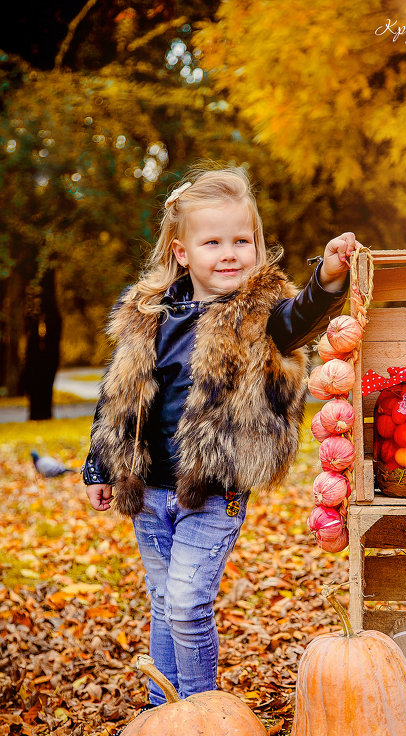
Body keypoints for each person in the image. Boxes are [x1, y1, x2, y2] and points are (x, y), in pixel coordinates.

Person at [83, 166, 357, 707]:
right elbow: (118, 395)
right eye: (213, 242)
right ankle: (165, 716)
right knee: (164, 603)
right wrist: (100, 464)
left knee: (186, 602)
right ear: (182, 251)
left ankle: (205, 714)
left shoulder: (261, 314)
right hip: (149, 490)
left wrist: (327, 279)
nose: (230, 253)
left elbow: (300, 318)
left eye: (243, 240)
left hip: (214, 491)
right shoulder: (148, 315)